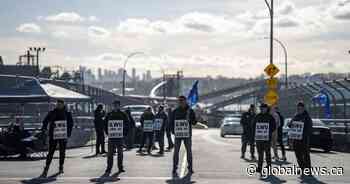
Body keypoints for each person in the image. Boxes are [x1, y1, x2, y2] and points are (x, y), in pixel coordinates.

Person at [40, 99, 74, 177]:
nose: (58, 105)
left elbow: (71, 123)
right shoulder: (52, 112)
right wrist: (44, 128)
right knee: (50, 152)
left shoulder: (67, 113)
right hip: (53, 135)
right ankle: (46, 168)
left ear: (63, 104)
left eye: (60, 104)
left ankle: (61, 166)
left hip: (63, 136)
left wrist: (68, 133)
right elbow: (45, 121)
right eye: (57, 104)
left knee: (62, 152)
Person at [170, 96, 196, 176]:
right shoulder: (175, 111)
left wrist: (190, 120)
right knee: (176, 152)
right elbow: (171, 122)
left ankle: (190, 167)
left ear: (185, 101)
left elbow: (194, 122)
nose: (181, 102)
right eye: (179, 101)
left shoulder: (190, 111)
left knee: (189, 151)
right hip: (178, 135)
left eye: (182, 101)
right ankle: (174, 168)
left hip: (187, 135)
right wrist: (173, 131)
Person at [104, 100, 130, 175]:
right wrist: (107, 133)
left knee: (120, 153)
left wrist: (124, 134)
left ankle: (120, 167)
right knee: (110, 154)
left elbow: (127, 124)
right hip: (111, 137)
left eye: (116, 105)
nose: (115, 106)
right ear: (113, 106)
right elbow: (105, 124)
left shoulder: (123, 114)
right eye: (114, 105)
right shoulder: (109, 114)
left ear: (119, 106)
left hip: (120, 137)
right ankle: (109, 168)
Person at [289, 102, 312, 176]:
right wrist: (290, 124)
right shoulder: (295, 115)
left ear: (303, 108)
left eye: (301, 108)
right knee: (298, 154)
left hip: (304, 139)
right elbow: (290, 124)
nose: (299, 109)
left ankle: (308, 170)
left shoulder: (307, 117)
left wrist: (303, 133)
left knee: (305, 154)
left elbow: (309, 128)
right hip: (296, 138)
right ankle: (302, 168)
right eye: (298, 108)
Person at [253, 103, 276, 174]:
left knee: (267, 153)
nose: (262, 109)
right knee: (260, 153)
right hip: (259, 138)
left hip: (267, 138)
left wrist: (268, 132)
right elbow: (253, 125)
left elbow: (274, 126)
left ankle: (269, 167)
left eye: (264, 108)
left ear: (266, 109)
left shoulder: (270, 117)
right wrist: (256, 133)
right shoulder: (257, 116)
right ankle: (259, 167)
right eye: (261, 108)